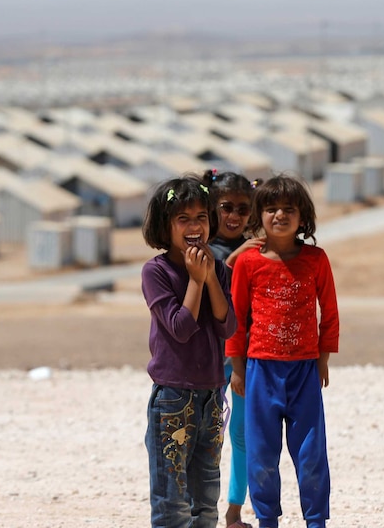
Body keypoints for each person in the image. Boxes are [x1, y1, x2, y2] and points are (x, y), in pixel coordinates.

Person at [226, 174, 339, 528]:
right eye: (271, 208)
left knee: (310, 454)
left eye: (288, 209)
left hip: (304, 371)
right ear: (259, 216)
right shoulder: (247, 263)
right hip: (261, 371)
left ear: (302, 217)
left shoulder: (317, 259)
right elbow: (236, 318)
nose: (279, 215)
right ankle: (266, 520)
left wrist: (323, 358)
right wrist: (237, 368)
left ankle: (316, 520)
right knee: (261, 454)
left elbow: (330, 311)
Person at [141, 174, 238, 528]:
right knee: (173, 502)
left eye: (201, 217)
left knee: (205, 500)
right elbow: (181, 328)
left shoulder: (219, 270)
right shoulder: (157, 272)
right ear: (165, 227)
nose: (194, 226)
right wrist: (196, 280)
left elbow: (228, 328)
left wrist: (211, 276)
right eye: (184, 219)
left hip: (212, 396)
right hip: (173, 398)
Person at [202, 169, 264, 528]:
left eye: (243, 209)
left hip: (245, 357)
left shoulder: (255, 250)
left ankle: (234, 512)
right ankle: (202, 511)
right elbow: (218, 275)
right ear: (213, 207)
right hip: (211, 358)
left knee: (242, 435)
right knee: (209, 436)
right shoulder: (205, 247)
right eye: (226, 207)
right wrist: (241, 252)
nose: (235, 216)